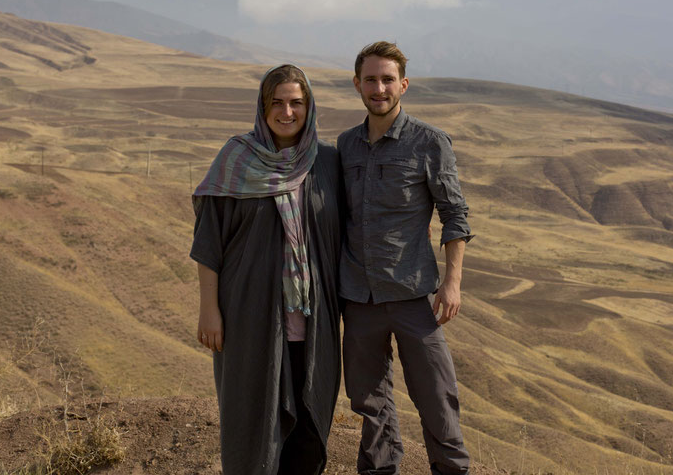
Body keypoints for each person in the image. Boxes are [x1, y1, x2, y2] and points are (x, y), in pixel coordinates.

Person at [191, 64, 342, 475]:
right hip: (248, 320)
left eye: (296, 102)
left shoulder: (327, 162)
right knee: (251, 423)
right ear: (262, 106)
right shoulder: (236, 158)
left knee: (309, 428)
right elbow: (209, 243)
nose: (286, 112)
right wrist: (209, 309)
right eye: (276, 102)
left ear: (309, 107)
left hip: (315, 326)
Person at [338, 41, 474, 475]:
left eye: (388, 79)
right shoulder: (345, 148)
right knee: (368, 402)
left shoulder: (429, 142)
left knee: (436, 396)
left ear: (404, 85)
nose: (379, 88)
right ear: (357, 84)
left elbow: (455, 214)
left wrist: (452, 283)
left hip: (414, 296)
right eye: (371, 79)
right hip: (359, 299)